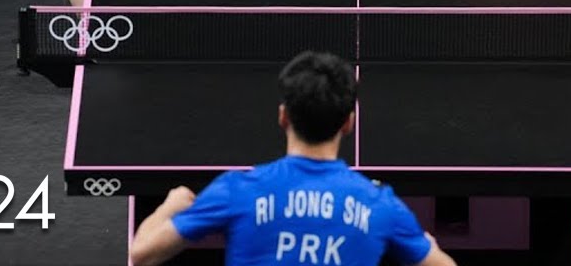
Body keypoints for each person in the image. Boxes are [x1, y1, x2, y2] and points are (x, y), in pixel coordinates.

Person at [129, 51, 456, 266]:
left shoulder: (236, 189)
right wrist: (424, 245)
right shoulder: (381, 205)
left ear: (283, 116)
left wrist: (170, 206)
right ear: (349, 123)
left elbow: (141, 254)